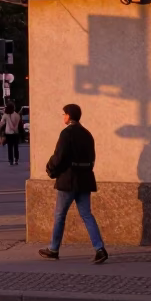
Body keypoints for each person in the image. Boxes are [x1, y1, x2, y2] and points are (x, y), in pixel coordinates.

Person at [39, 103, 109, 264]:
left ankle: (53, 249)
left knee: (60, 215)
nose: (63, 117)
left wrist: (50, 169)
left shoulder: (67, 133)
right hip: (85, 179)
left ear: (69, 116)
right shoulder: (87, 134)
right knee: (87, 214)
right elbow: (92, 157)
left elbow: (59, 156)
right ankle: (99, 248)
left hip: (69, 180)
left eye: (64, 114)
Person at [0, 101, 23, 166]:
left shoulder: (5, 115)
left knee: (9, 147)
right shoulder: (17, 115)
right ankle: (16, 159)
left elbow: (1, 123)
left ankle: (11, 160)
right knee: (16, 146)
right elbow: (18, 124)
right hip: (16, 133)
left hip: (8, 133)